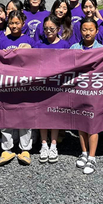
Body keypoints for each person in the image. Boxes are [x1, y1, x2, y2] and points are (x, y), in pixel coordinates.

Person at [0, 10, 35, 166]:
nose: (14, 26)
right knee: (6, 116)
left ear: (23, 24)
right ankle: (6, 148)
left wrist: (28, 50)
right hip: (7, 83)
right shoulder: (2, 41)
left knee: (25, 115)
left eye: (17, 23)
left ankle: (25, 149)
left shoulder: (30, 40)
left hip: (25, 84)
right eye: (11, 23)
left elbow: (38, 60)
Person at [71, 17, 103, 174]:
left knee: (93, 125)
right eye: (84, 29)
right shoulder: (74, 48)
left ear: (96, 31)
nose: (88, 33)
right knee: (81, 124)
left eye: (91, 30)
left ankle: (92, 156)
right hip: (78, 91)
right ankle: (83, 152)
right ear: (80, 31)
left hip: (95, 93)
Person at [37, 15, 70, 164]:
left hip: (58, 86)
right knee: (43, 115)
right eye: (46, 29)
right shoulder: (38, 44)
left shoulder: (65, 45)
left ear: (58, 29)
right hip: (41, 86)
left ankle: (54, 144)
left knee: (55, 115)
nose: (48, 31)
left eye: (52, 28)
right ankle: (44, 144)